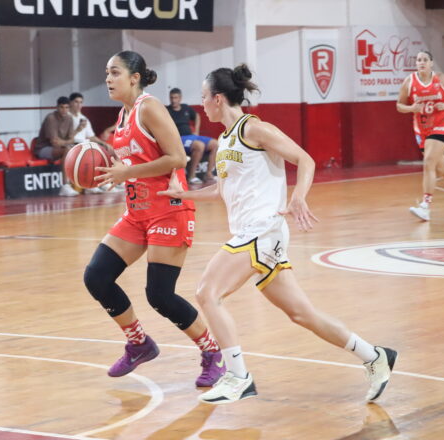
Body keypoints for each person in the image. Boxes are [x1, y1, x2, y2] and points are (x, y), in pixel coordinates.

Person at [158, 64, 397, 405]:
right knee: (302, 314)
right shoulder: (224, 140)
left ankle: (238, 377)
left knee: (207, 292)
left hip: (263, 230)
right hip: (253, 234)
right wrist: (182, 195)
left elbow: (305, 160)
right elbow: (221, 191)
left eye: (204, 97)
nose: (202, 104)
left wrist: (298, 196)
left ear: (218, 98)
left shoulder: (255, 129)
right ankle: (374, 356)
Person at [84, 50, 226, 388]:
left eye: (114, 72)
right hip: (137, 212)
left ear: (135, 77)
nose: (108, 79)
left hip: (168, 209)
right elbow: (133, 163)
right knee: (97, 277)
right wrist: (110, 166)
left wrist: (127, 172)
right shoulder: (123, 114)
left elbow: (177, 157)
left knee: (160, 295)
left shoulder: (149, 108)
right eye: (106, 73)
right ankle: (139, 343)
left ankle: (212, 353)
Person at [397, 50, 444, 221]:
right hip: (422, 128)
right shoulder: (409, 82)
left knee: (428, 162)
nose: (421, 62)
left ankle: (425, 206)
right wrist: (411, 108)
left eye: (425, 60)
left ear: (431, 63)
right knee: (440, 167)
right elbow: (399, 105)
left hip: (442, 123)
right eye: (419, 60)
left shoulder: (442, 79)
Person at [167, 88, 218, 185]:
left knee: (215, 143)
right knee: (199, 145)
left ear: (180, 98)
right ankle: (191, 176)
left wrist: (196, 131)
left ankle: (209, 174)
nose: (173, 100)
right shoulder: (167, 110)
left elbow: (197, 115)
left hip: (192, 136)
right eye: (171, 98)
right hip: (179, 139)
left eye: (175, 98)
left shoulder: (185, 108)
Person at [35, 96, 79, 197]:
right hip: (43, 149)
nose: (64, 110)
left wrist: (64, 142)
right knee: (68, 149)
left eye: (66, 107)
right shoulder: (51, 118)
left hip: (60, 149)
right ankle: (65, 186)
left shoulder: (69, 118)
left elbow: (72, 139)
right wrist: (67, 142)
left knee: (80, 150)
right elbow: (54, 142)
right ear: (57, 107)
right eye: (62, 107)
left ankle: (87, 185)